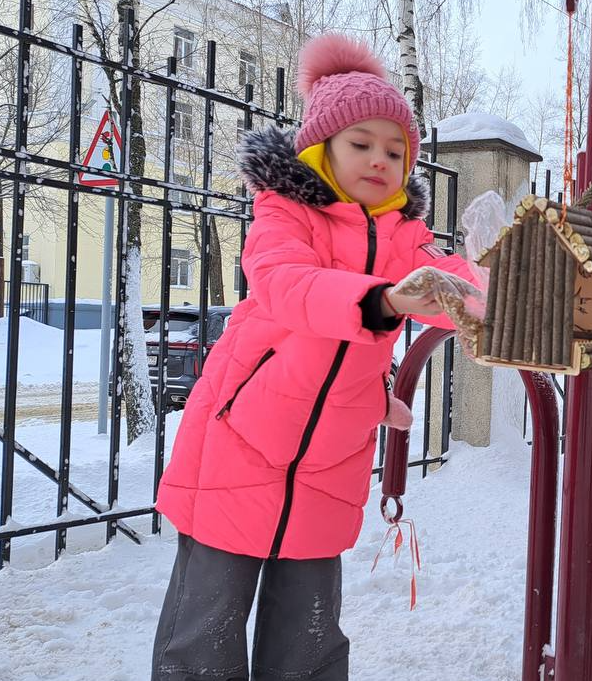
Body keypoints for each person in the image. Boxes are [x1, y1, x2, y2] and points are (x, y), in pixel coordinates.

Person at [150, 34, 478, 681]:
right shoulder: (287, 214)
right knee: (204, 637)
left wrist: (503, 286)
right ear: (318, 149)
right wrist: (381, 301)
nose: (380, 160)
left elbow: (449, 287)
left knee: (308, 642)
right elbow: (287, 286)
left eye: (395, 149)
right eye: (361, 144)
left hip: (329, 460)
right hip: (238, 449)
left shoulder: (404, 238)